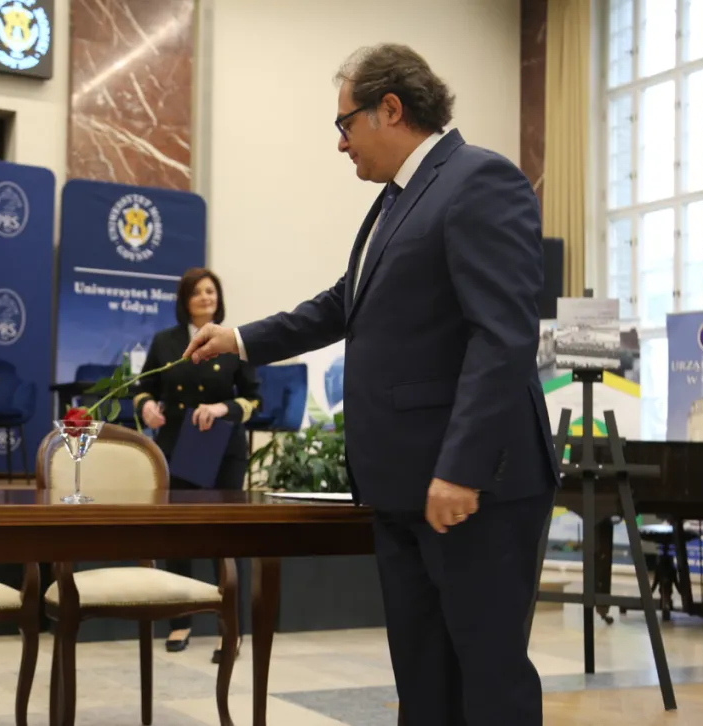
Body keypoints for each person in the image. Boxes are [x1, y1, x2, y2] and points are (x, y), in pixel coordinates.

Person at [182, 44, 560, 725]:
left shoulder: (479, 180)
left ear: (390, 108)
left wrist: (462, 468)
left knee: (488, 682)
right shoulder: (396, 200)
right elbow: (343, 303)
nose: (340, 142)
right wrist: (240, 339)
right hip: (406, 486)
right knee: (424, 682)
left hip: (474, 490)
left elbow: (503, 335)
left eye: (345, 123)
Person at [132, 267, 261, 662]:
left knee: (226, 538)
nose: (206, 297)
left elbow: (254, 399)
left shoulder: (234, 341)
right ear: (184, 300)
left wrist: (223, 408)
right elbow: (143, 389)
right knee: (181, 535)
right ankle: (179, 621)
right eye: (198, 292)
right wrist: (147, 407)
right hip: (177, 448)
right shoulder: (166, 342)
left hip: (224, 451)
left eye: (211, 291)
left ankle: (231, 629)